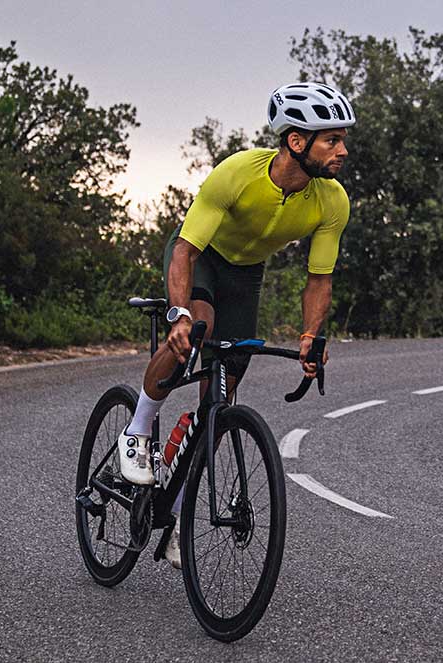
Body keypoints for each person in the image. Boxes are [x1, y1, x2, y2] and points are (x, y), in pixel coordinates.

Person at [118, 82, 355, 567]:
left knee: (222, 395)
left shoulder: (332, 201)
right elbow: (184, 250)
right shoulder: (238, 175)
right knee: (197, 332)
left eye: (342, 139)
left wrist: (310, 336)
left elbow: (319, 278)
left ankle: (178, 515)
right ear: (296, 141)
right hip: (201, 257)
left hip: (246, 276)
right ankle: (137, 430)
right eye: (331, 139)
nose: (343, 150)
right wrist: (179, 314)